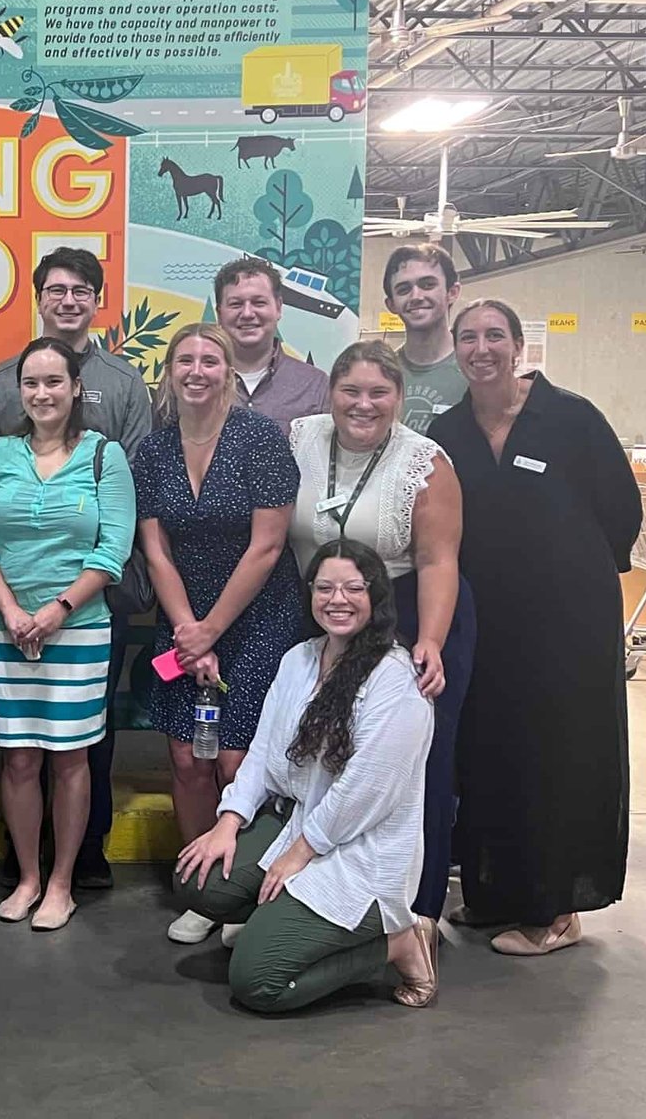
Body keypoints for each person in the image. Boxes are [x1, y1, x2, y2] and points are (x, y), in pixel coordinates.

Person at [429, 300, 641, 955]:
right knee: (491, 754)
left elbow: (621, 512)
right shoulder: (450, 430)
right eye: (469, 337)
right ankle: (497, 895)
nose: (482, 348)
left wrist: (570, 577)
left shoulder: (570, 419)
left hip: (567, 625)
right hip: (485, 621)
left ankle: (556, 909)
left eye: (496, 335)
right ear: (456, 350)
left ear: (520, 346)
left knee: (560, 757)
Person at [174, 540, 438, 1013]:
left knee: (257, 982)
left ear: (375, 597)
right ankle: (282, 923)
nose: (338, 599)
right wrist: (229, 821)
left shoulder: (396, 678)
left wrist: (298, 854)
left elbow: (366, 791)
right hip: (302, 821)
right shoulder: (299, 659)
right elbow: (262, 751)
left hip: (360, 848)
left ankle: (398, 943)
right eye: (325, 588)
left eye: (354, 588)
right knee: (199, 880)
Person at [0, 247, 151, 890]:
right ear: (39, 296)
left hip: (91, 600)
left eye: (81, 289)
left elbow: (125, 496)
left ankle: (83, 854)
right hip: (10, 609)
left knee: (85, 739)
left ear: (98, 299)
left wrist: (65, 604)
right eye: (56, 289)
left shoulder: (128, 385)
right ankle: (28, 863)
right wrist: (12, 607)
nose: (68, 299)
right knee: (20, 752)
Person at [289, 341, 473, 924]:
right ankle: (321, 896)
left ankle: (416, 913)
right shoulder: (300, 439)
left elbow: (440, 559)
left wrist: (433, 642)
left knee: (417, 764)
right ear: (331, 392)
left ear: (397, 398)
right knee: (325, 757)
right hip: (325, 616)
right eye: (351, 391)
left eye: (379, 393)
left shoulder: (426, 462)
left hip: (410, 617)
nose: (363, 405)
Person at [133, 324, 305, 947]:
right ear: (170, 371)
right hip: (184, 619)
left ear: (228, 370)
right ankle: (202, 890)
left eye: (210, 359)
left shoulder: (260, 439)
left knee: (239, 759)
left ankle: (250, 890)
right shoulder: (152, 452)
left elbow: (268, 545)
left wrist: (211, 631)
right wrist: (188, 632)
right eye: (185, 359)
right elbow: (155, 550)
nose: (197, 370)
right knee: (185, 757)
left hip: (257, 614)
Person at [215, 257, 328, 437]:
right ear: (219, 313)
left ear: (278, 308)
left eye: (259, 303)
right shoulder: (191, 384)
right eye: (236, 304)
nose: (247, 313)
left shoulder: (316, 386)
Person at [382, 243, 467, 435]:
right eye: (403, 289)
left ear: (452, 292)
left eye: (428, 285)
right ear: (391, 304)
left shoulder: (475, 370)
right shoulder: (383, 372)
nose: (416, 296)